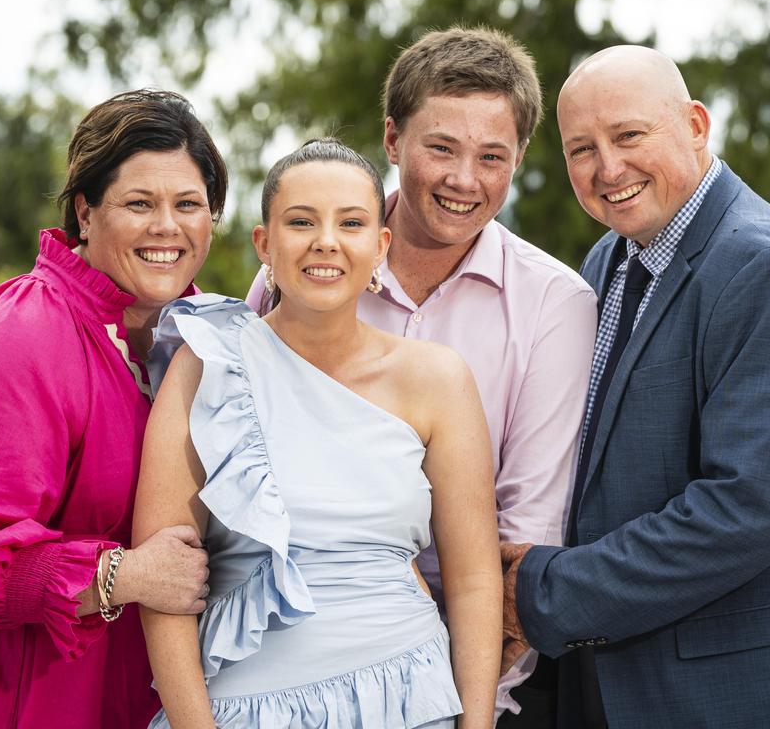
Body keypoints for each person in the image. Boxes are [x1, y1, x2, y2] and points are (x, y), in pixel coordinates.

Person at [501, 45, 770, 728]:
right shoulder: (610, 259)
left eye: (629, 135)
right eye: (582, 148)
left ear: (696, 125)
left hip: (748, 697)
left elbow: (744, 513)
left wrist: (545, 593)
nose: (608, 168)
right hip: (620, 687)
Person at [245, 27, 597, 726]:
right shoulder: (307, 269)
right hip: (286, 658)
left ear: (520, 159)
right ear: (392, 140)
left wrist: (455, 706)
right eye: (440, 148)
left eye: (492, 157)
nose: (465, 180)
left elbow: (522, 548)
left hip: (470, 681)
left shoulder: (555, 306)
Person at [135, 138, 502, 728]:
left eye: (351, 223)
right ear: (265, 244)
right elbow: (166, 585)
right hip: (244, 712)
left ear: (379, 247)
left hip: (408, 698)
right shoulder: (207, 362)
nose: (326, 241)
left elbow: (474, 580)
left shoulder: (438, 379)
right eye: (301, 221)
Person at [0, 89, 226, 729]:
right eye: (139, 203)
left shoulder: (211, 342)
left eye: (189, 204)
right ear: (85, 212)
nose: (168, 226)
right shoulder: (28, 331)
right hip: (25, 703)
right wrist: (124, 575)